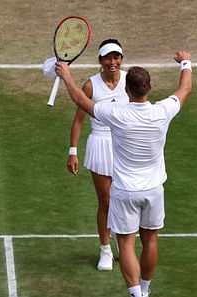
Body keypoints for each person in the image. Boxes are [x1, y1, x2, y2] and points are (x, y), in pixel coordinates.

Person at [56, 51, 192, 297]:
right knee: (150, 240)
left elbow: (82, 101)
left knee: (126, 244)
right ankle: (145, 293)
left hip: (125, 191)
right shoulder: (163, 111)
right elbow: (185, 87)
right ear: (150, 88)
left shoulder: (117, 114)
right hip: (154, 190)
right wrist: (186, 61)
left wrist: (67, 76)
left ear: (127, 89)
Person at [66, 39, 128, 271]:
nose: (113, 62)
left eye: (116, 57)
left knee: (124, 200)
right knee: (106, 201)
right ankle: (105, 249)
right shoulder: (91, 85)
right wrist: (73, 152)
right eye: (108, 58)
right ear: (100, 60)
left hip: (124, 145)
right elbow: (79, 121)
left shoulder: (130, 81)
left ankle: (123, 245)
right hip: (100, 144)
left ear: (121, 59)